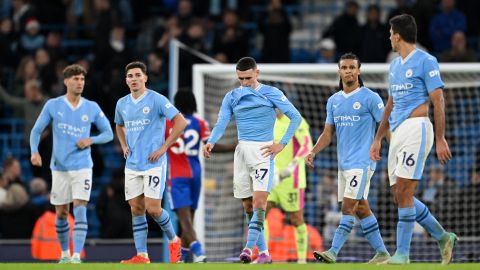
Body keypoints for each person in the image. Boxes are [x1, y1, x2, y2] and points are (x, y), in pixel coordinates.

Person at [370, 14, 457, 265]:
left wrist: (440, 138)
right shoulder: (394, 65)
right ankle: (442, 237)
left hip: (418, 128)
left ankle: (402, 254)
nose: (388, 37)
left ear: (397, 35)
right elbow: (390, 103)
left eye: (390, 33)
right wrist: (378, 138)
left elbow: (438, 99)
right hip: (397, 132)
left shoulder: (426, 61)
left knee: (406, 189)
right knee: (398, 194)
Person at [203, 56, 302, 264]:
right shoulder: (232, 96)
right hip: (242, 152)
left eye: (248, 78)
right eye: (241, 79)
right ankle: (264, 253)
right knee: (248, 205)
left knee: (259, 202)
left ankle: (248, 249)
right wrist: (211, 141)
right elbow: (222, 121)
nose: (245, 83)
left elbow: (295, 117)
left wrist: (281, 143)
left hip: (263, 152)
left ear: (257, 73)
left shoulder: (271, 93)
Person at [306, 53, 390, 264]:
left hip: (362, 163)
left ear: (359, 70)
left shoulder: (370, 97)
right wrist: (313, 151)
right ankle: (382, 253)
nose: (348, 71)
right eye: (344, 67)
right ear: (339, 71)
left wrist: (394, 151)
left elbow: (385, 126)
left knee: (348, 208)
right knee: (361, 208)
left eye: (352, 67)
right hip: (343, 165)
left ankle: (332, 251)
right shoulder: (333, 101)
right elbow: (327, 134)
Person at [29, 64, 114, 263]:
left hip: (83, 166)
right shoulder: (53, 105)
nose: (80, 83)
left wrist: (91, 140)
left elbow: (108, 133)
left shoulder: (91, 107)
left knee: (80, 207)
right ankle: (65, 253)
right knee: (61, 213)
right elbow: (36, 130)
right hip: (59, 168)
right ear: (66, 81)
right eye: (76, 79)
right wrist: (34, 152)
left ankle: (76, 255)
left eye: (82, 79)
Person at [115, 61, 187, 264]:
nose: (134, 79)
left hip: (154, 163)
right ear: (126, 80)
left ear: (145, 77)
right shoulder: (122, 103)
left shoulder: (156, 99)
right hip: (132, 164)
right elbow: (119, 125)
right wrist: (123, 145)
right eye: (130, 76)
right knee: (136, 208)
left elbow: (180, 121)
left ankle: (174, 241)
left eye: (138, 75)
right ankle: (142, 255)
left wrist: (164, 147)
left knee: (153, 208)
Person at [166, 90, 210, 263]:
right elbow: (211, 146)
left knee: (185, 220)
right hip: (196, 174)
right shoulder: (200, 123)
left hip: (177, 175)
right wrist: (236, 144)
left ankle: (199, 253)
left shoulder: (168, 124)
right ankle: (181, 258)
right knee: (188, 219)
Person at [265, 107, 313, 263]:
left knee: (296, 218)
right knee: (260, 213)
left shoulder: (296, 120)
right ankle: (263, 256)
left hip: (292, 180)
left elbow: (306, 145)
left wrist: (290, 168)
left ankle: (301, 260)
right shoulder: (268, 121)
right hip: (272, 177)